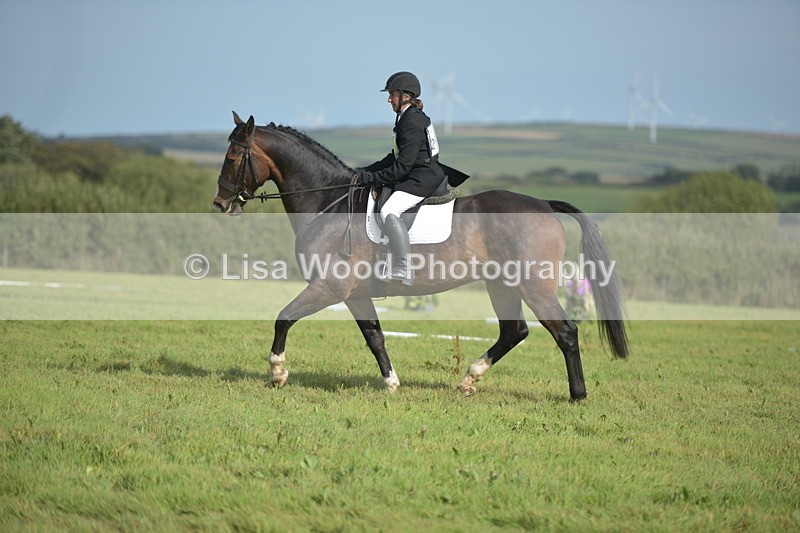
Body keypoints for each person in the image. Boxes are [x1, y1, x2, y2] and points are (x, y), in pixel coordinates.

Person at [357, 71, 448, 285]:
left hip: (421, 177)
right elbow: (394, 156)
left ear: (406, 95)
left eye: (392, 95)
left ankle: (403, 268)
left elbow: (402, 167)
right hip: (418, 172)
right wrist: (364, 171)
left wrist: (372, 178)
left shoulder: (412, 121)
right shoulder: (407, 117)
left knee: (389, 210)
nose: (389, 99)